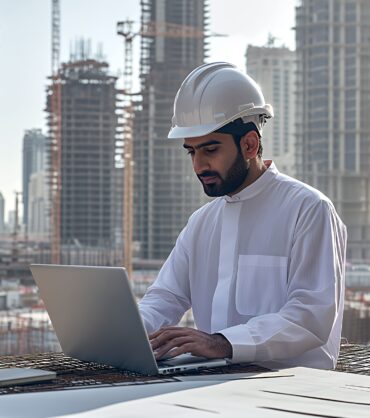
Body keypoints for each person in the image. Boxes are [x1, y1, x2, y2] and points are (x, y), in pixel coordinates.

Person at [138, 62, 347, 369]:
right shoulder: (201, 223)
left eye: (210, 149)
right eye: (191, 151)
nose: (198, 165)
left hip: (292, 394)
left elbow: (311, 315)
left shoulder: (309, 209)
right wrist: (121, 333)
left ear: (250, 144)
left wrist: (221, 343)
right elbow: (164, 299)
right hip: (212, 387)